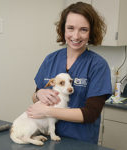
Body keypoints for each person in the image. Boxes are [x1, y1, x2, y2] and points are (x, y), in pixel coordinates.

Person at [27, 2, 112, 144]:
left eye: (83, 29)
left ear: (91, 32)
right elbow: (36, 98)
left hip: (80, 142)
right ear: (63, 29)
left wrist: (48, 111)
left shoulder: (98, 65)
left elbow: (91, 114)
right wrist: (38, 94)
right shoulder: (51, 59)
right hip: (47, 138)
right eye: (70, 28)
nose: (76, 36)